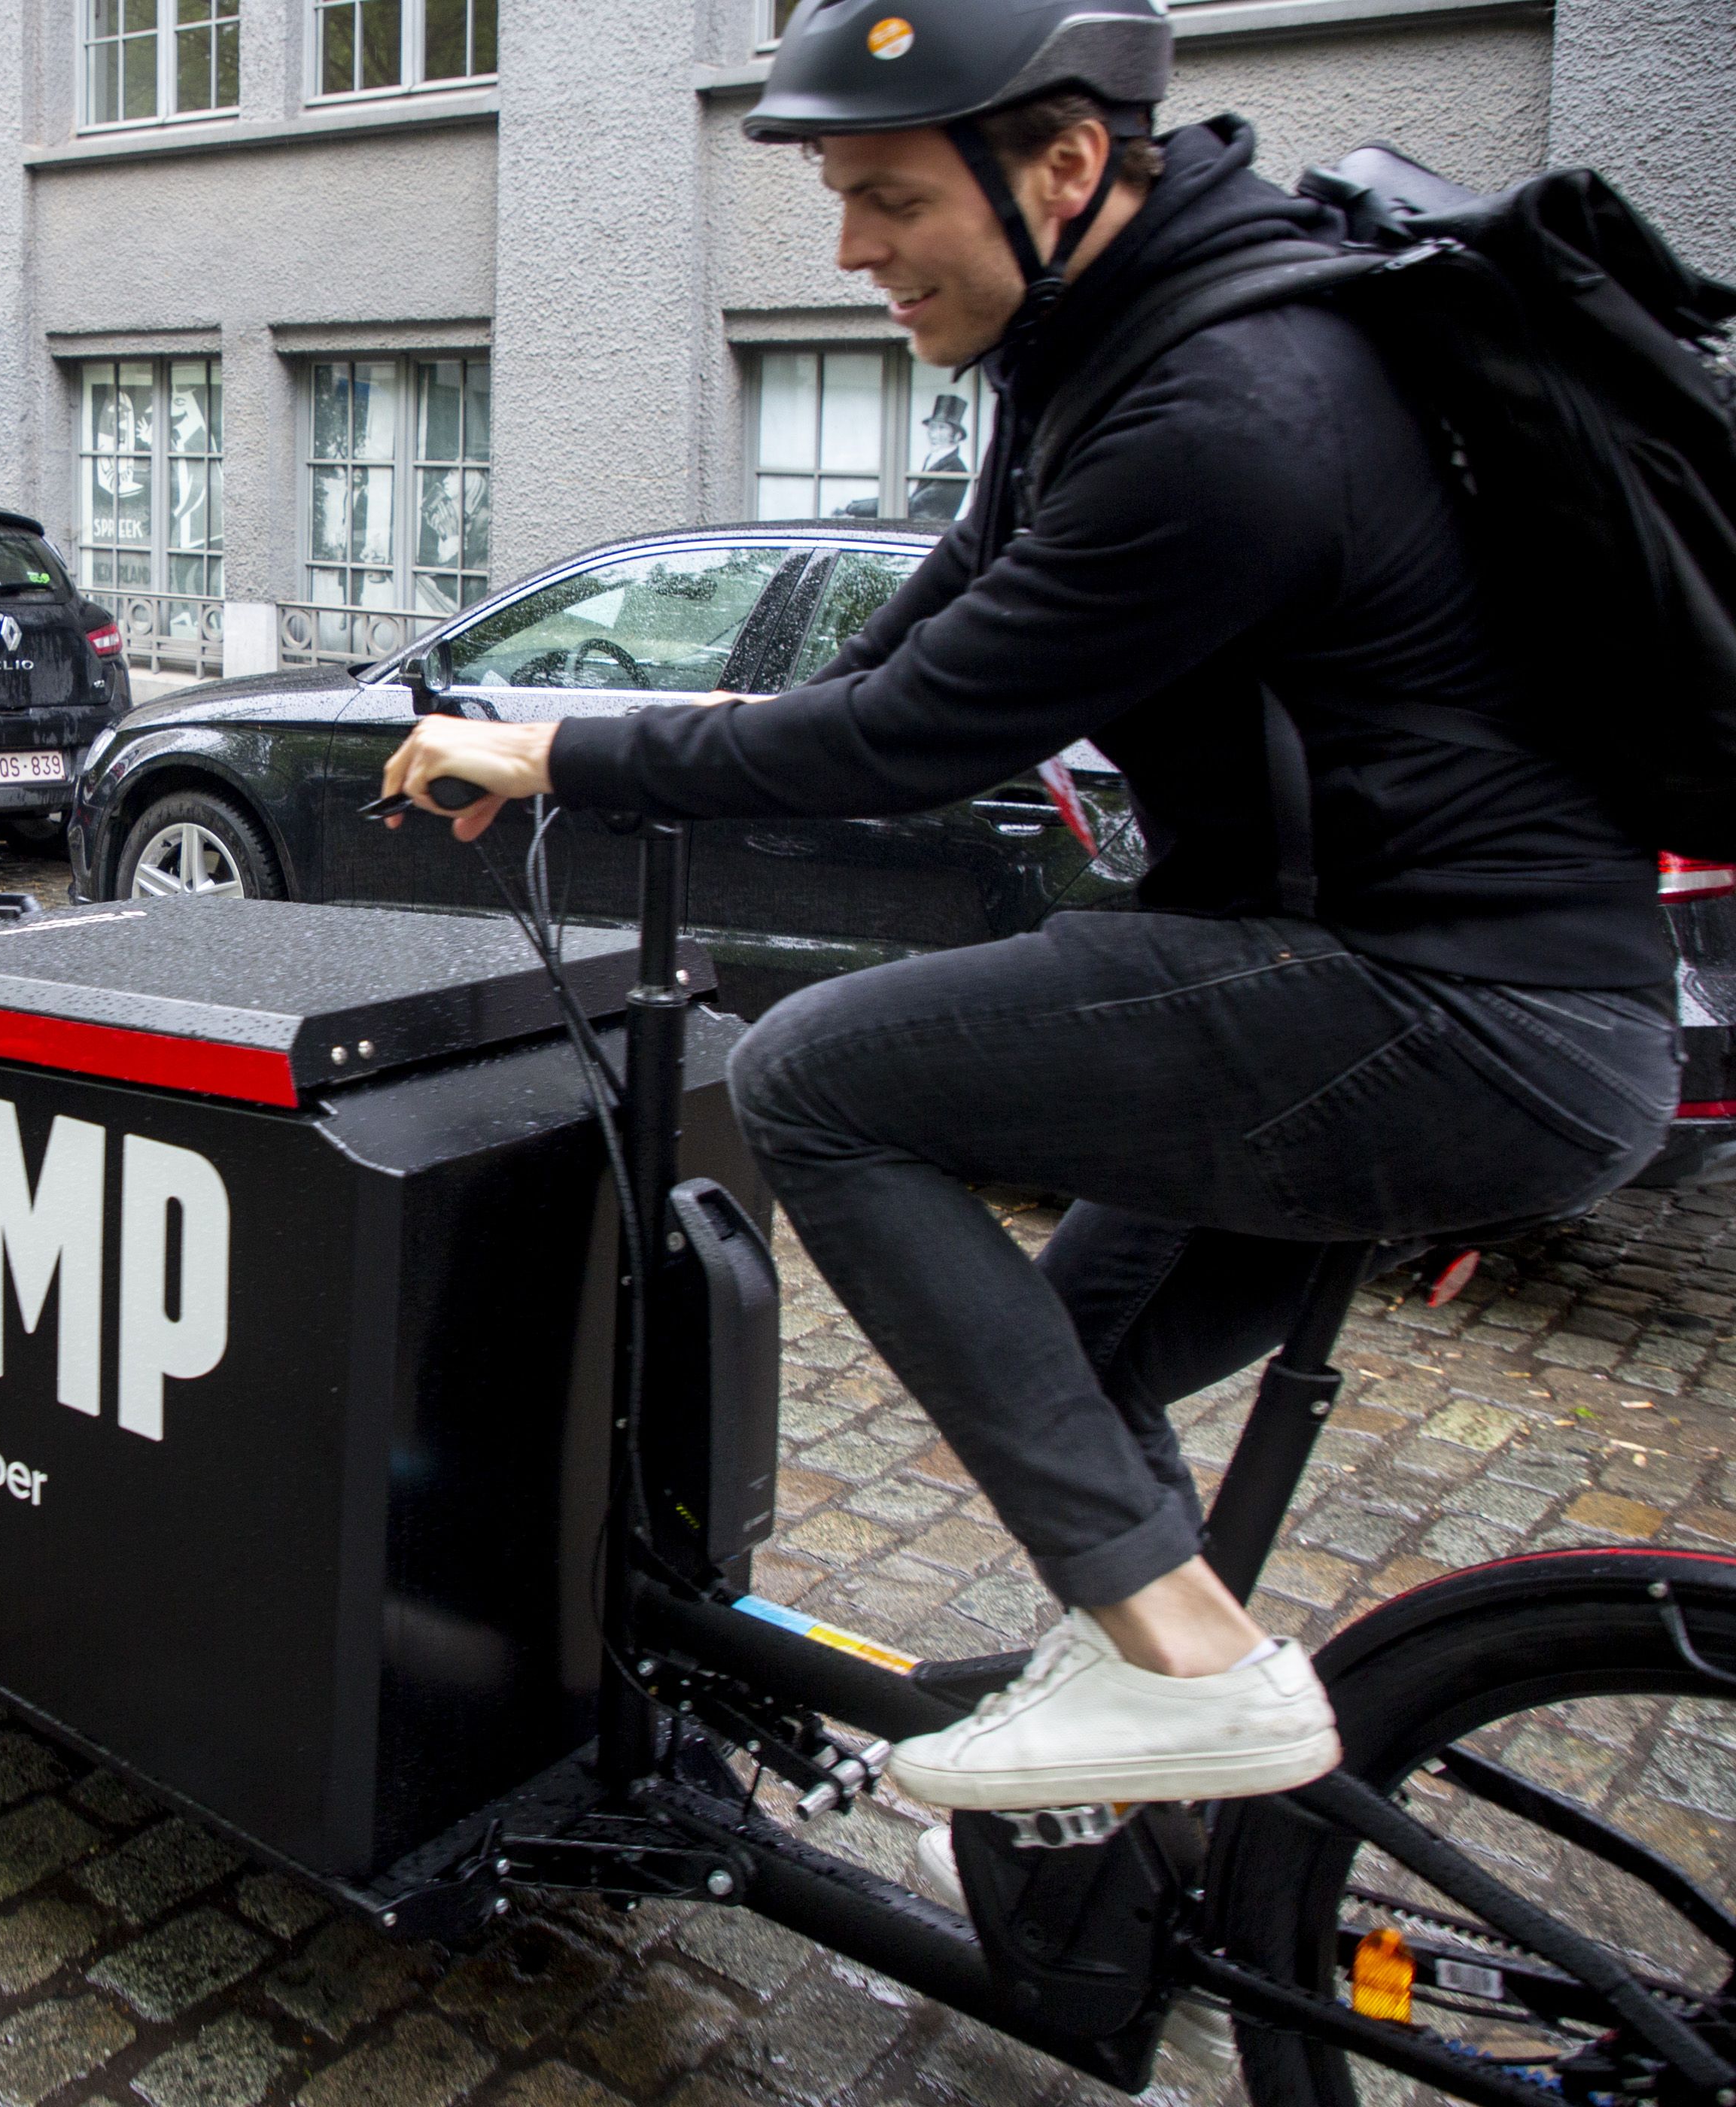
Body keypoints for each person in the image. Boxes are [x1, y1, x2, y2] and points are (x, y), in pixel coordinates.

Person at [383, 0, 1675, 1815]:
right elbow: (888, 672)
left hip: (1445, 1011)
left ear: (1064, 165)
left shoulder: (1230, 412)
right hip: (1416, 997)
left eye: (892, 196)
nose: (852, 250)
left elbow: (905, 744)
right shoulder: (1104, 363)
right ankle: (1143, 1726)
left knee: (822, 1080)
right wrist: (579, 727)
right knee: (1059, 1374)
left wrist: (555, 767)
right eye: (840, 197)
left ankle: (1197, 1673)